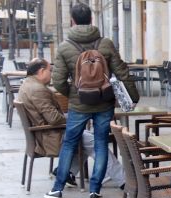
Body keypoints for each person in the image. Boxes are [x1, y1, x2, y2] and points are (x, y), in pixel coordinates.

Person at [45, 2, 138, 198]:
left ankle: (57, 189)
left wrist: (74, 93)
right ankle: (95, 191)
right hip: (104, 102)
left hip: (79, 105)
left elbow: (58, 81)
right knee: (101, 143)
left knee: (69, 143)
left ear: (72, 20)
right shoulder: (106, 43)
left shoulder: (65, 47)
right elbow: (122, 71)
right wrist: (133, 96)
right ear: (91, 20)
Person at [18, 58, 125, 188]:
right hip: (51, 136)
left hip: (46, 133)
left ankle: (66, 172)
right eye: (50, 70)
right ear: (41, 71)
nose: (51, 74)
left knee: (86, 137)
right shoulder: (37, 89)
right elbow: (54, 119)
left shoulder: (27, 84)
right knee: (96, 143)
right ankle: (124, 181)